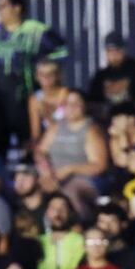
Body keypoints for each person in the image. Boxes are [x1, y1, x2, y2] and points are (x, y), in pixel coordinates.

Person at [0, 0, 68, 148]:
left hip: (26, 94)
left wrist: (45, 69)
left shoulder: (37, 30)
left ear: (17, 8)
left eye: (3, 6)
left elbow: (61, 51)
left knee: (29, 139)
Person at [36, 89, 108, 221]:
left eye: (76, 103)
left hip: (84, 179)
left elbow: (99, 166)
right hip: (53, 174)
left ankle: (78, 225)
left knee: (69, 192)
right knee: (32, 187)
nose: (72, 108)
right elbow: (40, 151)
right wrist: (45, 169)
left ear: (84, 106)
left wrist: (70, 169)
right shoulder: (56, 127)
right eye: (68, 104)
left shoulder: (91, 130)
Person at [86, 31, 135, 120]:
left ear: (124, 50)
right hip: (110, 126)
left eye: (117, 50)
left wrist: (128, 109)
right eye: (110, 51)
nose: (113, 55)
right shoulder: (100, 76)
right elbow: (93, 104)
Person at [26, 58, 71, 144]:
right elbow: (35, 134)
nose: (46, 77)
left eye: (50, 74)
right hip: (48, 144)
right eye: (42, 74)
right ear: (37, 77)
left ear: (57, 75)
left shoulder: (68, 94)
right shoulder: (34, 99)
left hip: (69, 141)